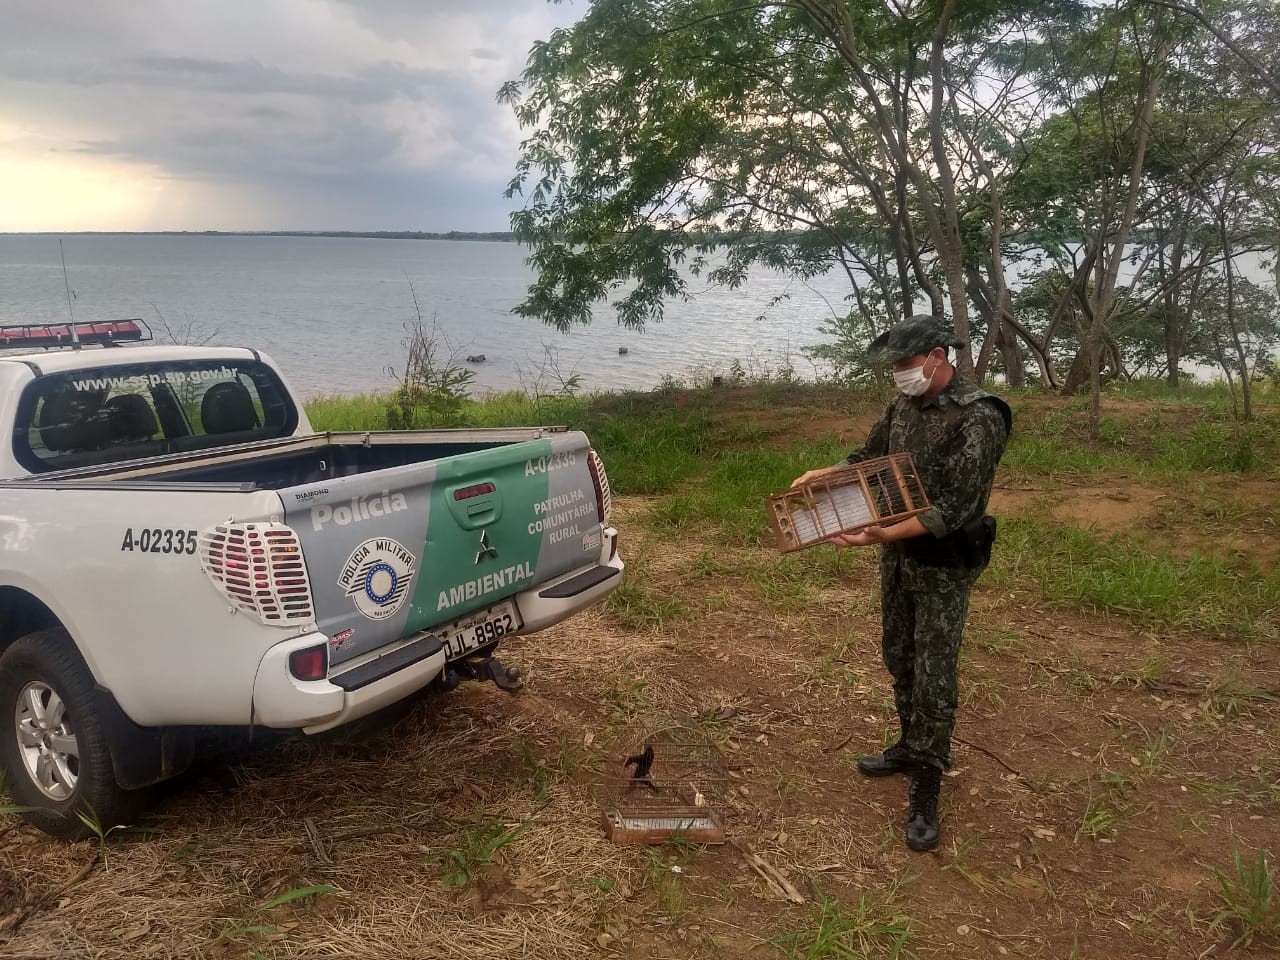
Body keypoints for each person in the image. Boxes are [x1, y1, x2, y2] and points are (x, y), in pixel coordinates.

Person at [792, 314, 1011, 852]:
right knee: (900, 654)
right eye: (894, 366)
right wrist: (827, 475)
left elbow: (958, 507)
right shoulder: (904, 404)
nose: (899, 374)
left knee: (935, 668)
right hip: (898, 555)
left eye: (906, 364)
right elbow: (870, 459)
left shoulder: (979, 416)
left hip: (942, 559)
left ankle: (928, 780)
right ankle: (909, 746)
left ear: (939, 356)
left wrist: (878, 536)